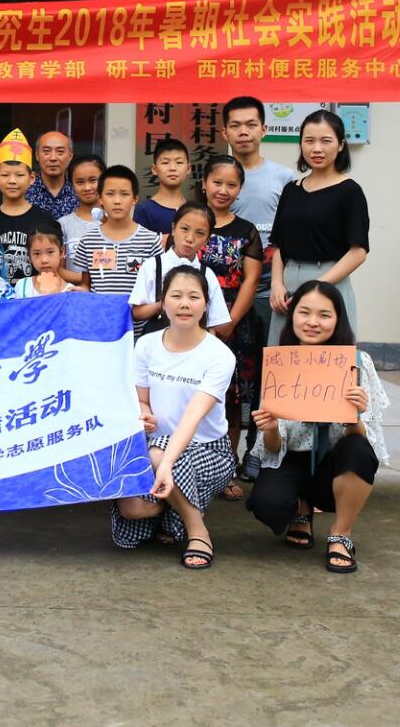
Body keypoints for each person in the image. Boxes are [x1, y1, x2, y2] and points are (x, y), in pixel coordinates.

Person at [247, 280, 389, 574]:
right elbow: (272, 448)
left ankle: (340, 534)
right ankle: (301, 506)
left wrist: (355, 415)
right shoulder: (279, 363)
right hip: (292, 458)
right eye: (304, 312)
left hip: (336, 461)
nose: (312, 322)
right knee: (267, 504)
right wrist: (270, 428)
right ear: (292, 316)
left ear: (338, 320)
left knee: (358, 449)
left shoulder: (358, 363)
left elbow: (368, 440)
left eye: (324, 315)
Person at [112, 266, 236, 569]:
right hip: (155, 446)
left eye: (194, 297)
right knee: (131, 512)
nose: (184, 304)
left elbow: (192, 417)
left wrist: (165, 462)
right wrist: (144, 415)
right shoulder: (146, 345)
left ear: (205, 304)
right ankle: (172, 509)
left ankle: (197, 530)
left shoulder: (220, 355)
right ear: (163, 302)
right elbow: (142, 400)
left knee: (159, 454)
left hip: (208, 449)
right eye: (176, 296)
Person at [268, 109, 369, 344]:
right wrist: (276, 283)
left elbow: (358, 252)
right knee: (284, 356)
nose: (316, 149)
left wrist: (317, 286)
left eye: (326, 141)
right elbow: (279, 245)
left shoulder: (350, 192)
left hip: (329, 282)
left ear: (341, 145)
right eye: (309, 141)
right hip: (288, 285)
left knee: (328, 359)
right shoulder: (291, 189)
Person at [199, 156, 265, 498]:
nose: (223, 190)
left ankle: (226, 470)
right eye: (217, 182)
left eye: (231, 184)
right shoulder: (190, 222)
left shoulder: (247, 230)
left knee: (231, 398)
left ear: (240, 189)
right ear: (204, 184)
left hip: (235, 325)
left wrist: (228, 322)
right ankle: (191, 465)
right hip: (192, 323)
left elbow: (251, 281)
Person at [222, 96, 295, 339]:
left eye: (251, 125)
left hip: (271, 291)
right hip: (226, 290)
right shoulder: (217, 178)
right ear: (224, 133)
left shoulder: (284, 177)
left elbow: (291, 233)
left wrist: (279, 283)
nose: (243, 132)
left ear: (263, 130)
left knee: (271, 354)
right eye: (235, 125)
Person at [129, 202, 231, 333]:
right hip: (158, 338)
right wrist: (164, 304)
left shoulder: (207, 274)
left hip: (194, 340)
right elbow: (137, 312)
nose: (190, 238)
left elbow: (217, 321)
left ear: (207, 240)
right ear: (173, 228)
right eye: (184, 229)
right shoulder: (153, 266)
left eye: (200, 233)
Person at [69, 164, 163, 296]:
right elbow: (86, 285)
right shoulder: (88, 241)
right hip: (99, 309)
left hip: (136, 309)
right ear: (100, 198)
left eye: (124, 194)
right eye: (110, 194)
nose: (117, 201)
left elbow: (157, 287)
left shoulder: (151, 241)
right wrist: (78, 291)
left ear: (135, 199)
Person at [0, 128, 45, 285]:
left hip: (33, 295)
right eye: (5, 175)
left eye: (19, 175)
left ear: (32, 178)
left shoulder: (43, 219)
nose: (12, 181)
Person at [133, 137, 191, 236]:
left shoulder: (193, 209)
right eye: (165, 162)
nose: (172, 168)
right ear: (154, 169)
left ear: (188, 168)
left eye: (179, 162)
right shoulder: (144, 210)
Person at [14, 223, 82, 297]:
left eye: (50, 252)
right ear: (30, 256)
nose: (44, 260)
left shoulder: (71, 292)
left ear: (62, 252)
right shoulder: (22, 287)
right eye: (37, 254)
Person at [57, 154, 105, 256]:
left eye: (93, 180)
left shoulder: (115, 221)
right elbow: (59, 264)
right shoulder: (63, 225)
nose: (87, 187)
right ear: (72, 185)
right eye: (80, 182)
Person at [27, 130, 78, 217]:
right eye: (46, 151)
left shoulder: (79, 193)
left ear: (70, 156)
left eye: (60, 152)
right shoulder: (25, 192)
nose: (53, 158)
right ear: (37, 155)